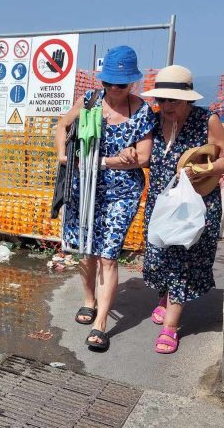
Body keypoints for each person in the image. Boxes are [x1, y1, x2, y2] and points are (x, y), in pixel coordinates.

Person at [54, 46, 156, 351]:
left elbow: (145, 157)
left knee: (109, 256)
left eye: (121, 84)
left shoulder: (142, 112)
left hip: (121, 193)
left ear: (132, 83)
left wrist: (118, 159)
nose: (114, 89)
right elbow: (62, 125)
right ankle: (89, 300)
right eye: (108, 83)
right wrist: (62, 154)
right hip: (85, 189)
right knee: (87, 251)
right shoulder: (89, 102)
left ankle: (100, 324)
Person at [140, 65, 224, 354]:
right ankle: (165, 294)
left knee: (183, 260)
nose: (166, 106)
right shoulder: (155, 122)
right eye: (161, 100)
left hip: (196, 204)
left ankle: (171, 326)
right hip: (162, 204)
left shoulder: (207, 120)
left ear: (187, 99)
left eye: (173, 100)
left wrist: (205, 167)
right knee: (160, 257)